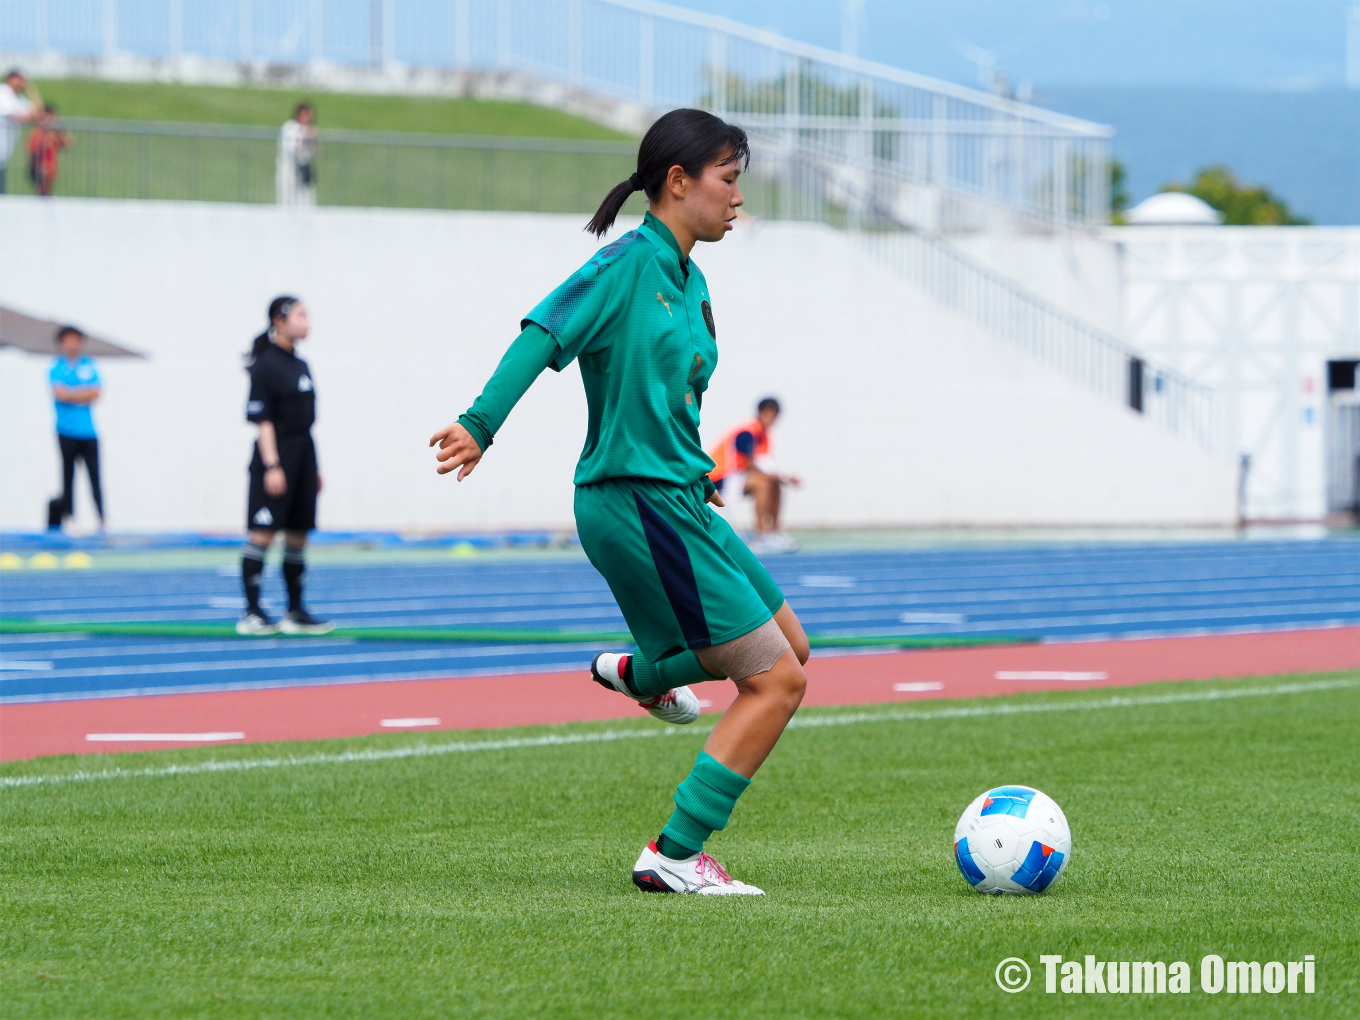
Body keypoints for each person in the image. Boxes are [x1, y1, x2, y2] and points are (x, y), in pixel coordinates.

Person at [430, 109, 810, 896]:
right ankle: (674, 853)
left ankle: (639, 673)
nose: (738, 200)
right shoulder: (625, 265)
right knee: (775, 683)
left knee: (792, 647)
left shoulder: (691, 280)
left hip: (683, 498)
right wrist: (478, 424)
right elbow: (542, 335)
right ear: (678, 183)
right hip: (636, 504)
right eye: (728, 181)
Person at [239, 296, 332, 636]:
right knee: (262, 534)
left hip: (304, 456)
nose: (307, 321)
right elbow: (262, 420)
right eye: (300, 315)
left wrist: (313, 468)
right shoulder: (265, 365)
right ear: (279, 321)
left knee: (298, 535)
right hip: (276, 456)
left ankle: (295, 611)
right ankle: (251, 612)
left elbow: (305, 422)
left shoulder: (301, 365)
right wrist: (272, 465)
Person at [708, 397, 801, 553]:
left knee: (773, 483)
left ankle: (774, 533)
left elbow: (765, 465)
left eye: (774, 414)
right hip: (721, 476)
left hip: (738, 477)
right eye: (768, 413)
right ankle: (761, 534)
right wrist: (783, 477)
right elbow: (750, 464)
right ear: (760, 412)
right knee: (763, 483)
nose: (771, 418)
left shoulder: (764, 435)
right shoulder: (748, 431)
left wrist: (783, 477)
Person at [49, 326, 104, 530]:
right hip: (65, 431)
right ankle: (69, 518)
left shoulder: (89, 365)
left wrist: (73, 393)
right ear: (62, 342)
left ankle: (101, 518)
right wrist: (82, 393)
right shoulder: (56, 367)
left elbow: (96, 393)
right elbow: (60, 393)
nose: (73, 343)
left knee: (95, 476)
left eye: (76, 339)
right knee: (67, 475)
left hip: (88, 431)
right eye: (68, 339)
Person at [0, 68, 41, 195]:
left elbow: (38, 112)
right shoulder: (3, 93)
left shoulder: (18, 98)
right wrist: (29, 116)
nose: (21, 82)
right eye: (19, 79)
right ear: (10, 78)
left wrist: (30, 89)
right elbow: (15, 116)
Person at [275, 102, 317, 208]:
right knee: (286, 203)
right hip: (289, 171)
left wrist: (313, 139)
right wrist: (305, 139)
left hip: (304, 171)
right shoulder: (290, 127)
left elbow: (313, 153)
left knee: (305, 202)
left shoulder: (310, 129)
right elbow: (291, 148)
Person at [26, 104, 71, 197]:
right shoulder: (38, 131)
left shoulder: (55, 132)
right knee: (42, 194)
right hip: (40, 168)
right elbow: (31, 149)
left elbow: (68, 144)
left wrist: (61, 129)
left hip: (51, 169)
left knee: (46, 194)